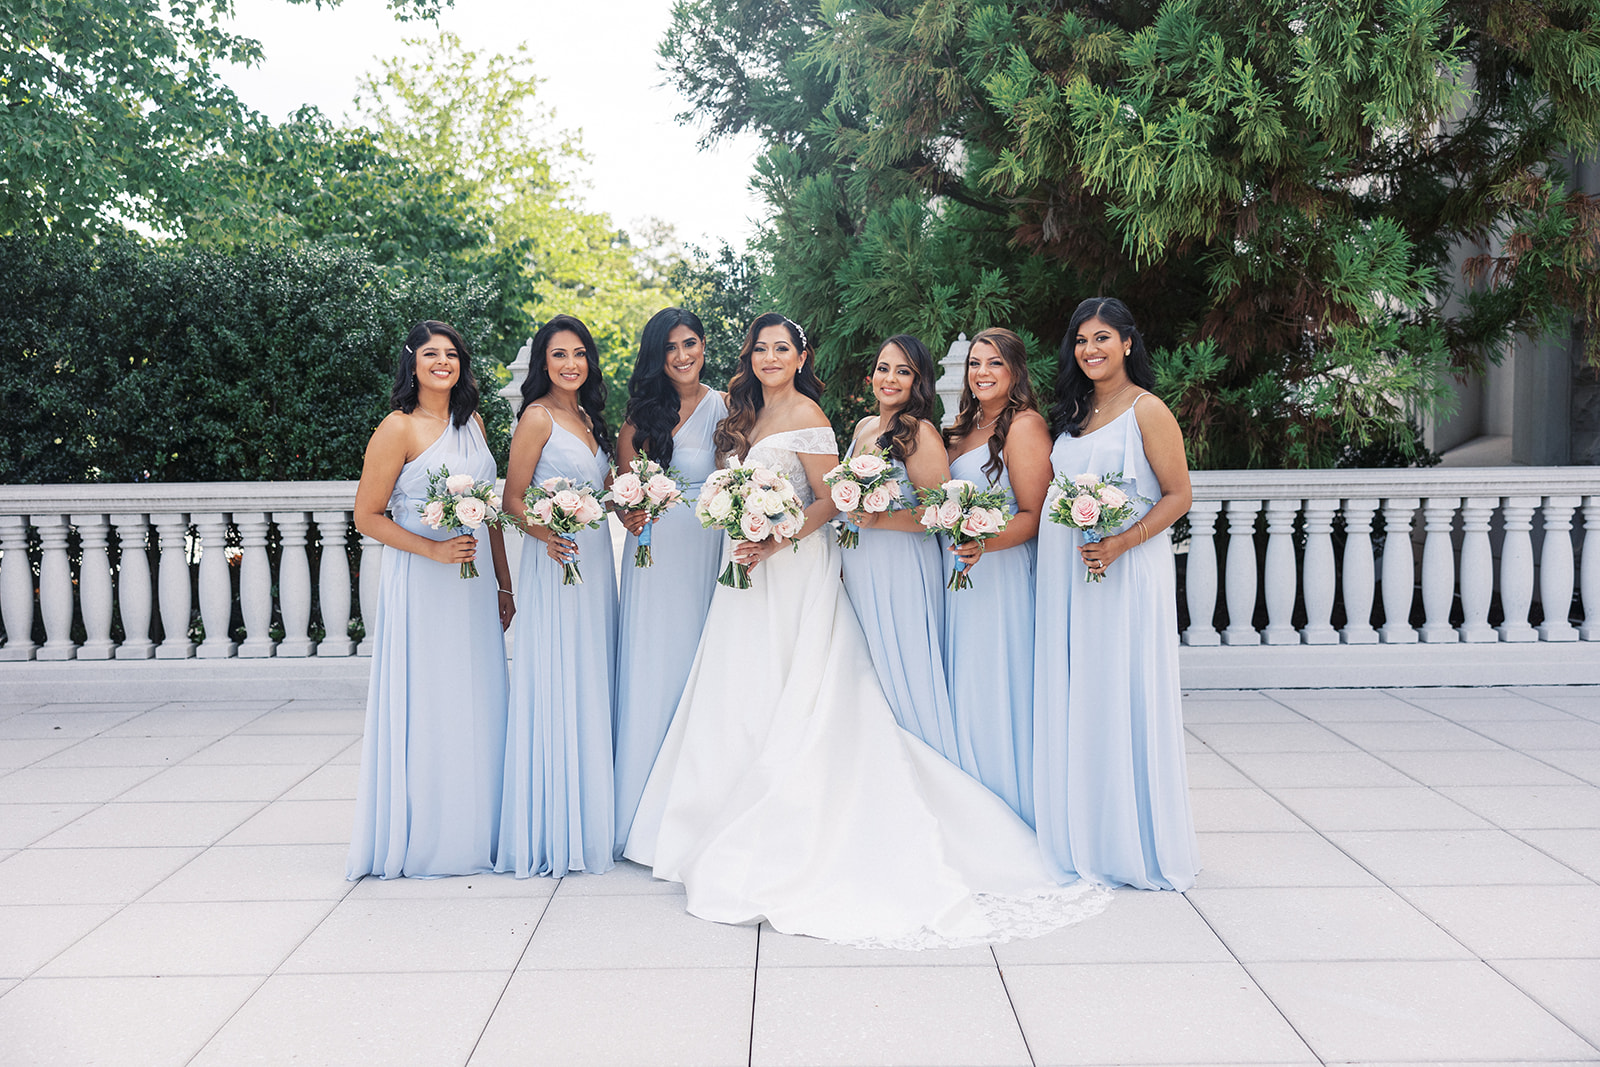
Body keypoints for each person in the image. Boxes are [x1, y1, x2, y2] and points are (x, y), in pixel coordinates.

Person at [623, 313, 1108, 946]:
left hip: (792, 563)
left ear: (802, 356)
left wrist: (777, 535)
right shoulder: (745, 417)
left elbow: (830, 502)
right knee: (736, 684)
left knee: (802, 686)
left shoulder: (813, 418)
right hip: (746, 564)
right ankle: (707, 809)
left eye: (782, 348)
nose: (770, 357)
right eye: (760, 348)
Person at [1034, 296, 1199, 891]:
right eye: (1081, 341)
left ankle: (1132, 841)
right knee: (1082, 691)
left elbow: (1179, 494)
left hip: (1124, 570)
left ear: (1128, 343)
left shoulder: (1147, 409)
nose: (1090, 350)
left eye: (1102, 338)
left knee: (1119, 688)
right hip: (1071, 574)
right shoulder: (1073, 412)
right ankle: (1084, 829)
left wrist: (1125, 541)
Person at [347, 321, 513, 879]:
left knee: (479, 695)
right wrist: (434, 551)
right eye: (430, 354)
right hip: (423, 579)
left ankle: (481, 827)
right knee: (434, 695)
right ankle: (431, 834)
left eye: (451, 354)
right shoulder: (397, 428)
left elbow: (488, 509)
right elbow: (366, 515)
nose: (442, 362)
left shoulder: (476, 425)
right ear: (412, 364)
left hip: (475, 583)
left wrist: (504, 583)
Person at [497, 314, 618, 877]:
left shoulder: (589, 417)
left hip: (594, 563)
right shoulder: (538, 418)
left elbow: (601, 494)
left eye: (578, 354)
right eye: (558, 355)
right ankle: (555, 822)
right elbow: (511, 499)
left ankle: (593, 811)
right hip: (557, 561)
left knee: (591, 673)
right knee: (559, 676)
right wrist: (547, 534)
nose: (570, 364)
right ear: (543, 363)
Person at [611, 307, 729, 857]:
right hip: (652, 557)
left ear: (704, 346)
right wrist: (627, 514)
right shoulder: (640, 416)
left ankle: (691, 811)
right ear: (657, 355)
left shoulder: (724, 408)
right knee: (651, 664)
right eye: (671, 347)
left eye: (692, 344)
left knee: (695, 664)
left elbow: (738, 478)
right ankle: (638, 809)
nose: (683, 356)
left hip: (703, 548)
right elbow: (621, 492)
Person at [940, 327, 1052, 825]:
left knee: (996, 682)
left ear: (1015, 371)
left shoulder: (1024, 426)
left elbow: (1032, 514)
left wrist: (983, 540)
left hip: (1001, 573)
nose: (981, 373)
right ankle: (970, 809)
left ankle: (1010, 810)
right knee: (964, 682)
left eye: (994, 364)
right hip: (963, 573)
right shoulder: (960, 429)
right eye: (974, 364)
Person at [840, 334, 960, 762]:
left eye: (903, 371)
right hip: (859, 564)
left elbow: (939, 514)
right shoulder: (863, 429)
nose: (890, 379)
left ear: (918, 382)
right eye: (884, 368)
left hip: (902, 565)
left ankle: (926, 762)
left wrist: (879, 518)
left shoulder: (920, 431)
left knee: (903, 667)